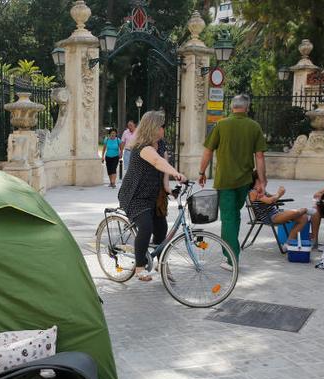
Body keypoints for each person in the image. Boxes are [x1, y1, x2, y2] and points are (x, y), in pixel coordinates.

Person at [198, 94, 267, 267]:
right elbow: (259, 157)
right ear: (247, 107)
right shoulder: (254, 126)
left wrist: (201, 172)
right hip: (243, 181)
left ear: (232, 107)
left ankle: (231, 258)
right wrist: (262, 181)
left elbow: (208, 151)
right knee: (235, 217)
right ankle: (232, 254)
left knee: (228, 219)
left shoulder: (221, 125)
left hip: (225, 180)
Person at [118, 111, 185, 282]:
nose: (164, 129)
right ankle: (139, 267)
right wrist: (177, 173)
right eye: (162, 126)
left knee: (161, 230)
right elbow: (157, 162)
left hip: (154, 196)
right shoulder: (143, 147)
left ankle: (160, 263)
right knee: (146, 227)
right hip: (135, 196)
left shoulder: (161, 145)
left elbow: (164, 167)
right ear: (153, 128)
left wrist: (168, 188)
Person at [247, 171, 313, 252]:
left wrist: (279, 194)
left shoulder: (262, 190)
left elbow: (273, 197)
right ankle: (306, 210)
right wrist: (279, 193)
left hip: (276, 213)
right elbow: (269, 201)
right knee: (295, 212)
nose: (266, 179)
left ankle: (288, 243)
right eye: (264, 177)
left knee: (303, 218)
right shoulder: (253, 192)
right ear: (258, 179)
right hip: (270, 217)